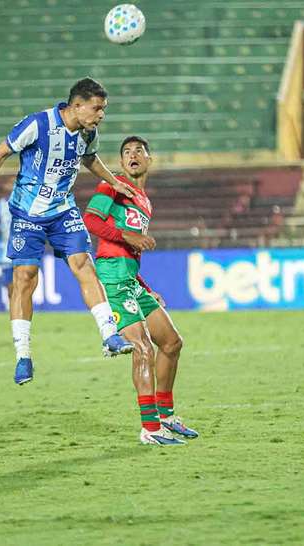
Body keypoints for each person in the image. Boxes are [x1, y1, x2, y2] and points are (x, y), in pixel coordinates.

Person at [0, 77, 135, 385]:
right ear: (77, 105)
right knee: (25, 277)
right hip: (27, 213)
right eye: (97, 109)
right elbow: (0, 153)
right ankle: (23, 356)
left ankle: (109, 334)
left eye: (103, 110)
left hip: (63, 210)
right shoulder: (37, 124)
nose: (101, 116)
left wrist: (114, 181)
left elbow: (89, 159)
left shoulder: (88, 132)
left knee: (83, 263)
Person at [83, 136, 199, 446]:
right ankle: (150, 429)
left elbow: (132, 251)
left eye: (139, 151)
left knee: (172, 343)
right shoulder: (114, 184)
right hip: (112, 278)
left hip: (132, 280)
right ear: (121, 163)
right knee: (144, 349)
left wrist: (147, 287)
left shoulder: (145, 201)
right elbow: (91, 220)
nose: (132, 155)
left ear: (149, 159)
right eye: (126, 152)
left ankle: (166, 416)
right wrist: (127, 236)